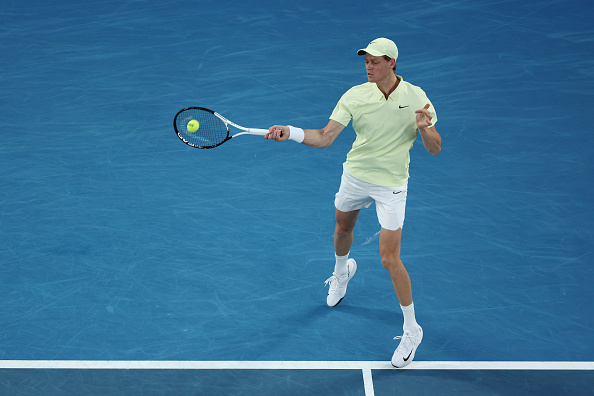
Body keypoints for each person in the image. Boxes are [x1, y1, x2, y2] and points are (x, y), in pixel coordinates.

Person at [265, 37, 441, 368]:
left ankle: (411, 329)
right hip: (356, 177)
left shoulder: (417, 98)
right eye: (365, 61)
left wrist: (423, 130)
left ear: (391, 62)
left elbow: (435, 148)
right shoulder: (354, 96)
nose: (368, 66)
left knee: (390, 259)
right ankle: (341, 271)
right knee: (342, 228)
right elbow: (326, 137)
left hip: (391, 186)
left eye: (375, 61)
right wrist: (291, 131)